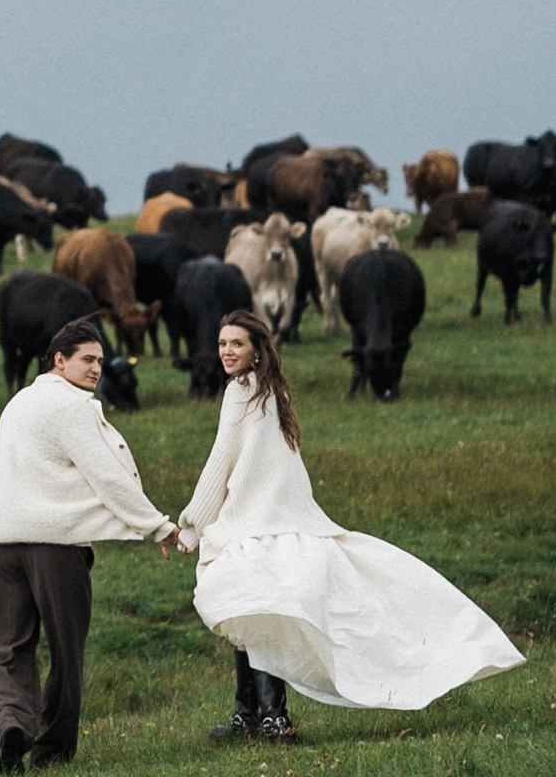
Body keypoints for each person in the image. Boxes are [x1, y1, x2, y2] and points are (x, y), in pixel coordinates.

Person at [176, 311, 524, 742]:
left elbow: (221, 462)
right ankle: (250, 716)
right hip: (278, 521)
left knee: (250, 610)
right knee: (250, 610)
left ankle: (271, 719)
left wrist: (192, 525)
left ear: (256, 350)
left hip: (258, 525)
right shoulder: (272, 392)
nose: (227, 351)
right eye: (223, 343)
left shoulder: (241, 393)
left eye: (237, 344)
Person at [0, 315, 182, 774]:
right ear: (59, 360)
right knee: (66, 653)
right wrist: (156, 526)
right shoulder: (72, 406)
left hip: (2, 545)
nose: (96, 369)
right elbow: (107, 475)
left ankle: (11, 727)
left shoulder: (17, 403)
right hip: (54, 545)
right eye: (86, 360)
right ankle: (50, 754)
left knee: (10, 649)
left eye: (99, 361)